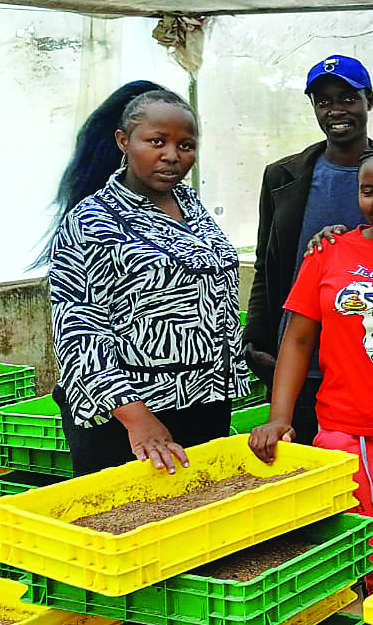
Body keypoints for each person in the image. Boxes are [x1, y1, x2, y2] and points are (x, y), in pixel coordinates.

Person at [47, 86, 246, 475]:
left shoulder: (191, 206)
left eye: (185, 145)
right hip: (129, 417)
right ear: (124, 141)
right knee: (132, 526)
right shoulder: (92, 221)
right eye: (157, 142)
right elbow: (77, 328)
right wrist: (137, 417)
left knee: (197, 524)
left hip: (205, 402)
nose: (172, 156)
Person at [244, 55, 373, 444]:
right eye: (324, 101)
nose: (336, 110)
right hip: (302, 363)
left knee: (370, 480)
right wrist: (257, 339)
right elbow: (267, 265)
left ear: (370, 99)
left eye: (348, 98)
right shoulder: (283, 176)